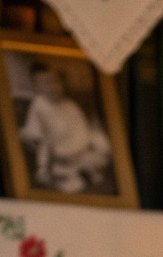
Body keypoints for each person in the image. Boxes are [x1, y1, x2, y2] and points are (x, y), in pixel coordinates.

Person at [17, 60, 113, 195]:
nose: (51, 87)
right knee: (46, 149)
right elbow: (34, 129)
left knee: (100, 144)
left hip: (78, 146)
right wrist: (35, 137)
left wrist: (84, 144)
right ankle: (52, 171)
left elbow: (81, 127)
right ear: (36, 87)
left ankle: (87, 170)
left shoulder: (70, 105)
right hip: (56, 148)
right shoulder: (39, 105)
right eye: (45, 83)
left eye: (55, 82)